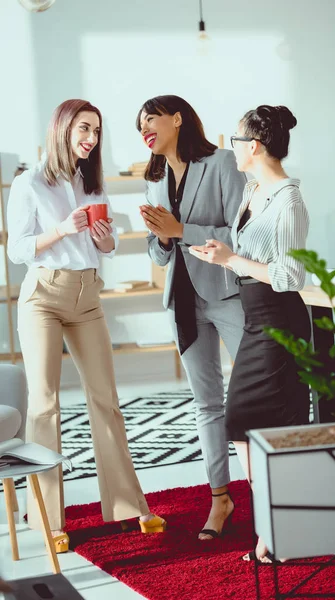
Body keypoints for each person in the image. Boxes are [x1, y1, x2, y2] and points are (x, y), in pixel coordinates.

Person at [7, 99, 166, 554]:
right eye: (83, 129)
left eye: (96, 130)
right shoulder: (29, 183)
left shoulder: (91, 182)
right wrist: (61, 229)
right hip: (43, 300)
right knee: (45, 405)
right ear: (62, 129)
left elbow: (109, 246)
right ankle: (45, 518)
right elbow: (19, 250)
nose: (91, 138)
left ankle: (130, 506)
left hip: (88, 296)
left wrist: (105, 237)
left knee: (106, 400)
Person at [189, 104, 311, 562]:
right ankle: (274, 529)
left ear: (254, 145)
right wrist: (221, 253)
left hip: (280, 322)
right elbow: (246, 256)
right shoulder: (253, 190)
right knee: (243, 424)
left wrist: (230, 261)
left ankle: (278, 531)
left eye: (236, 140)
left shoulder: (288, 201)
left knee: (249, 420)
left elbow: (290, 276)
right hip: (257, 318)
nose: (232, 148)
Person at [136, 95, 247, 540]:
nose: (143, 126)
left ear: (177, 119)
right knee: (206, 404)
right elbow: (158, 253)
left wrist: (181, 231)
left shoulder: (222, 163)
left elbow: (241, 233)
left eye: (150, 117)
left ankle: (273, 486)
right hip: (181, 300)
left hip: (226, 293)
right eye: (138, 123)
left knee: (251, 396)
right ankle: (220, 499)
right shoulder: (155, 179)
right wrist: (163, 240)